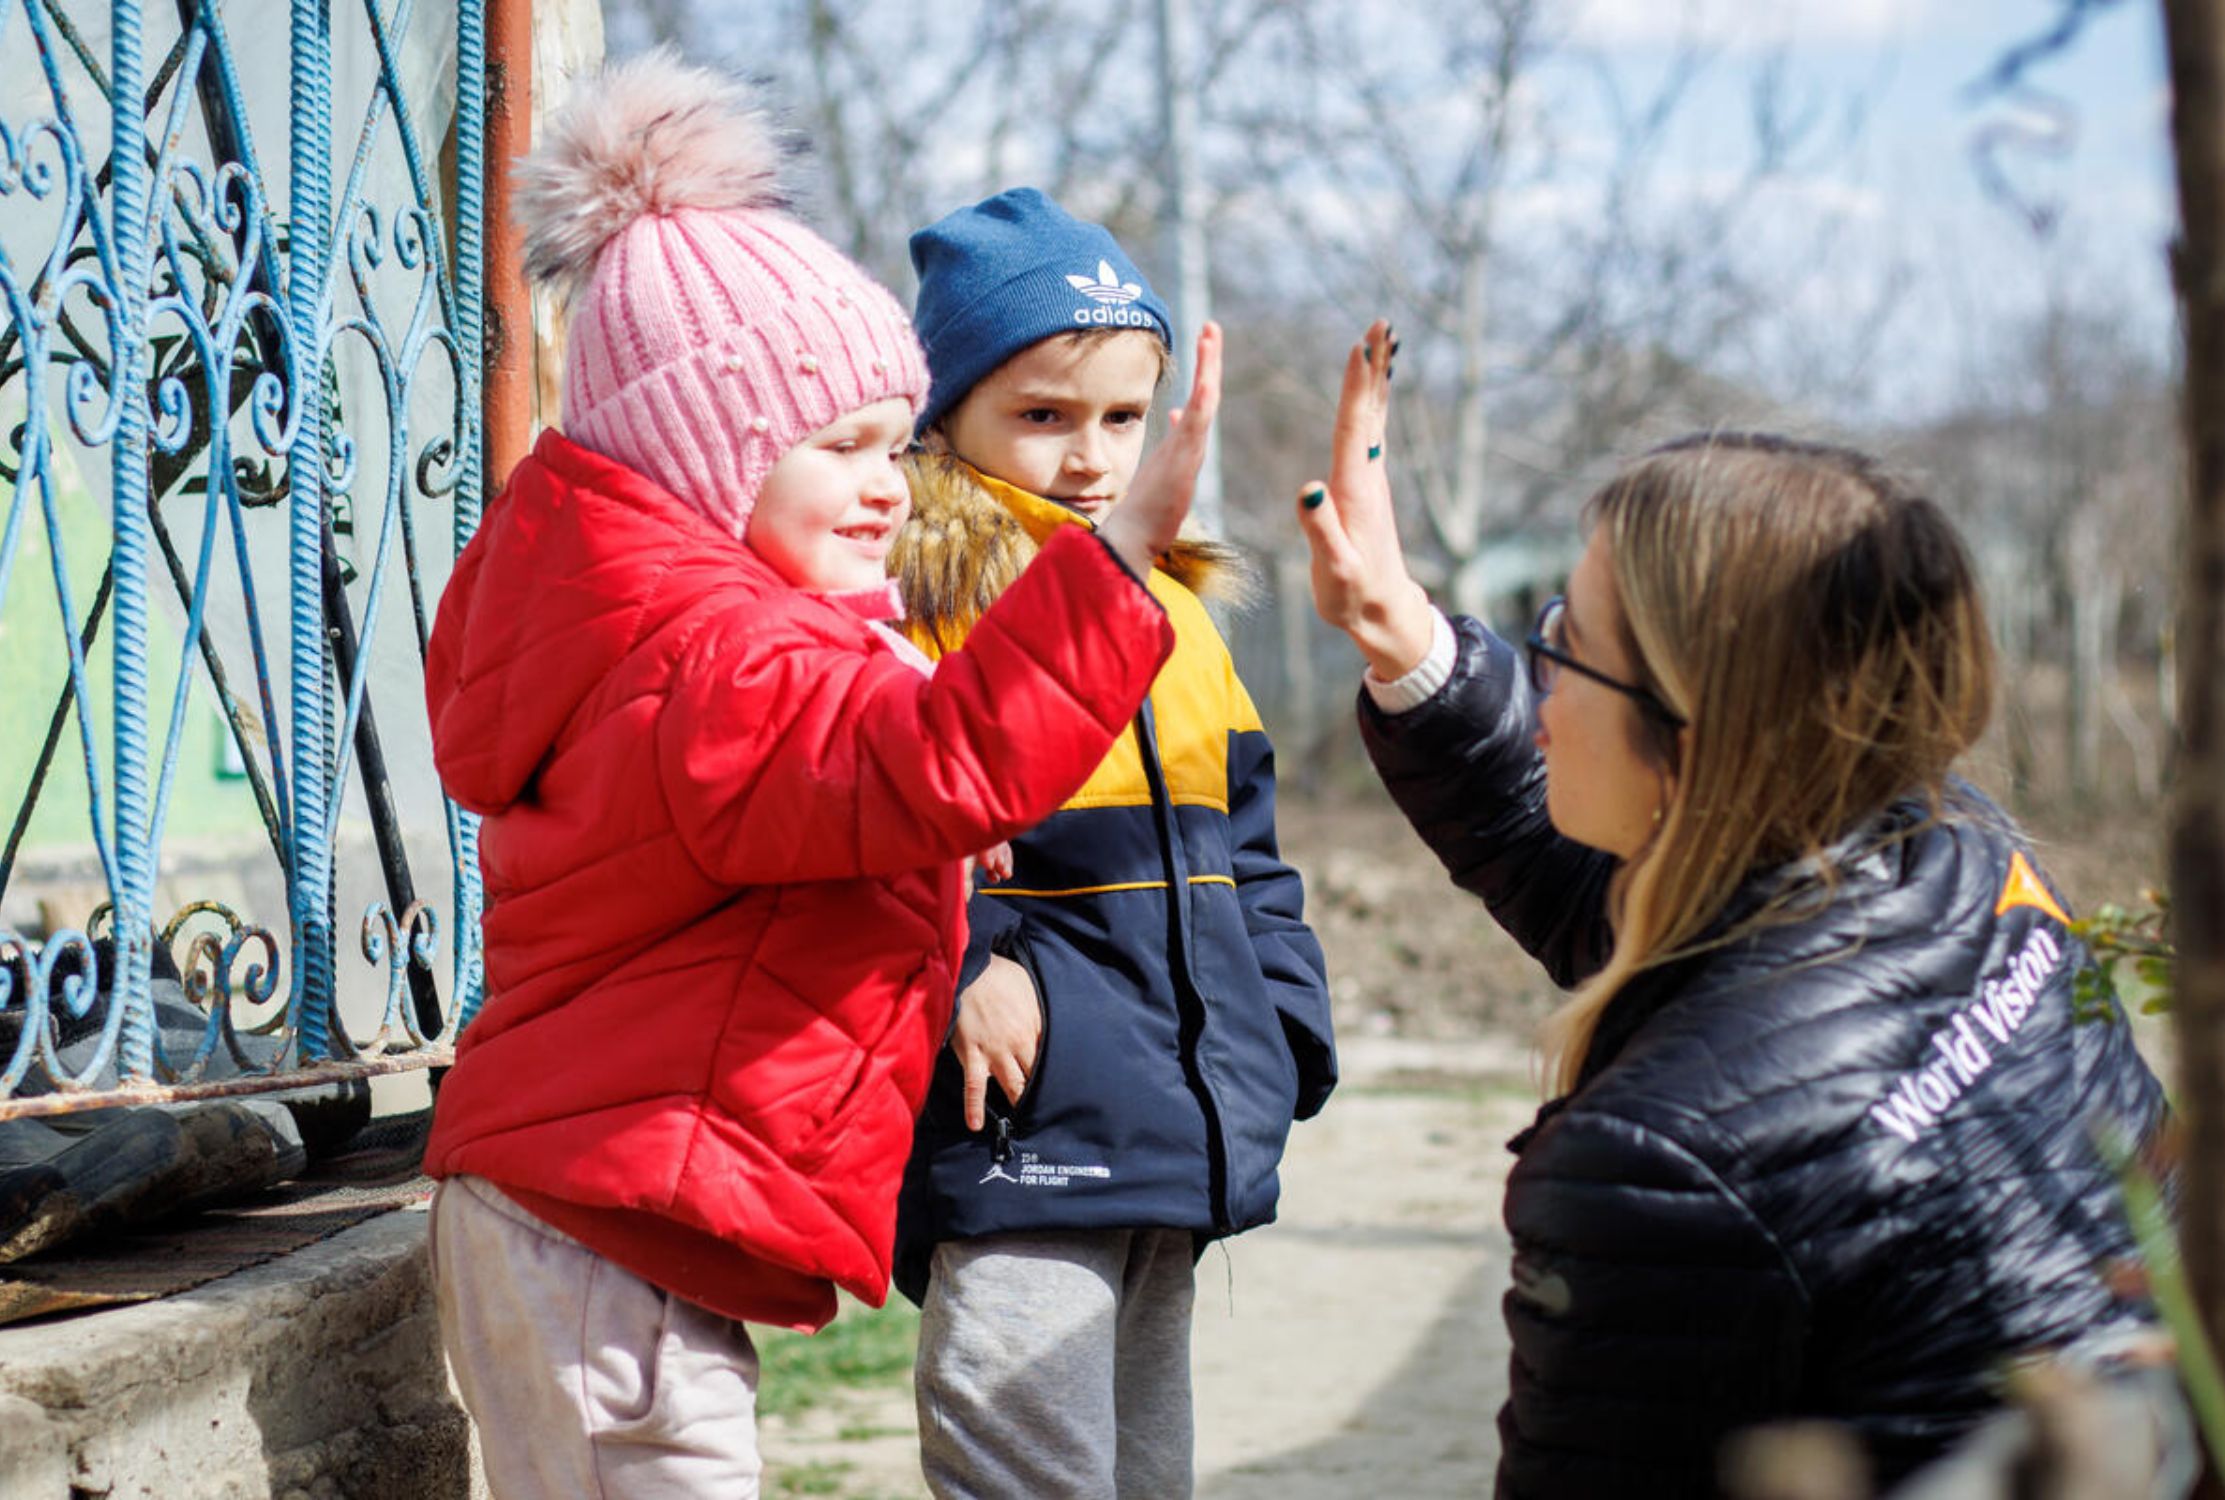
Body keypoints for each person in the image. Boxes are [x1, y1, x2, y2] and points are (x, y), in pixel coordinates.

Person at [417, 58, 1221, 1499]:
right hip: (604, 1212)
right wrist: (1111, 571)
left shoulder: (682, 632)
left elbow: (857, 776)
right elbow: (932, 762)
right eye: (837, 445)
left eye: (890, 442)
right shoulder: (710, 659)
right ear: (705, 459)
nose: (887, 485)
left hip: (604, 1203)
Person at [1295, 320, 2177, 1497]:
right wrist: (1407, 639)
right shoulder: (1949, 848)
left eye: (1567, 642)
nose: (1537, 671)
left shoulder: (1666, 1158)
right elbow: (1634, 869)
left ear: (1701, 735)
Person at [886, 188, 1336, 1500]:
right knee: (1022, 1445)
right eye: (1043, 415)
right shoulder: (923, 601)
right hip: (1025, 1116)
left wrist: (1285, 1022)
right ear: (946, 410)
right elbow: (879, 820)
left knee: (1148, 1467)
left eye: (1122, 419)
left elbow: (1248, 848)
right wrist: (968, 956)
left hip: (1178, 1111)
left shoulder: (1183, 615)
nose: (1091, 458)